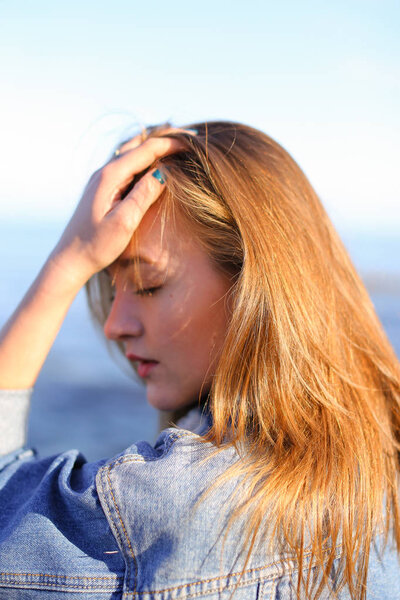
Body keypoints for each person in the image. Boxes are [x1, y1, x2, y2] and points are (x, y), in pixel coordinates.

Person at [0, 121, 399, 600]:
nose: (114, 324)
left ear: (254, 286)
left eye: (149, 285)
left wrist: (68, 261)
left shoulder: (170, 508)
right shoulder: (381, 452)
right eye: (109, 286)